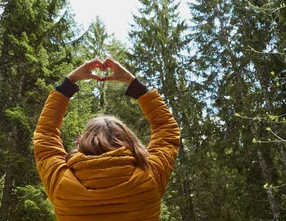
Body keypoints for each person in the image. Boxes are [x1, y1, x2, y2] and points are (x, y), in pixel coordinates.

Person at [33, 56, 181, 220]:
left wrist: (69, 82)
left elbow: (45, 135)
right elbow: (167, 130)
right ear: (129, 141)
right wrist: (133, 84)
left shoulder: (62, 184)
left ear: (82, 141)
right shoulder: (148, 178)